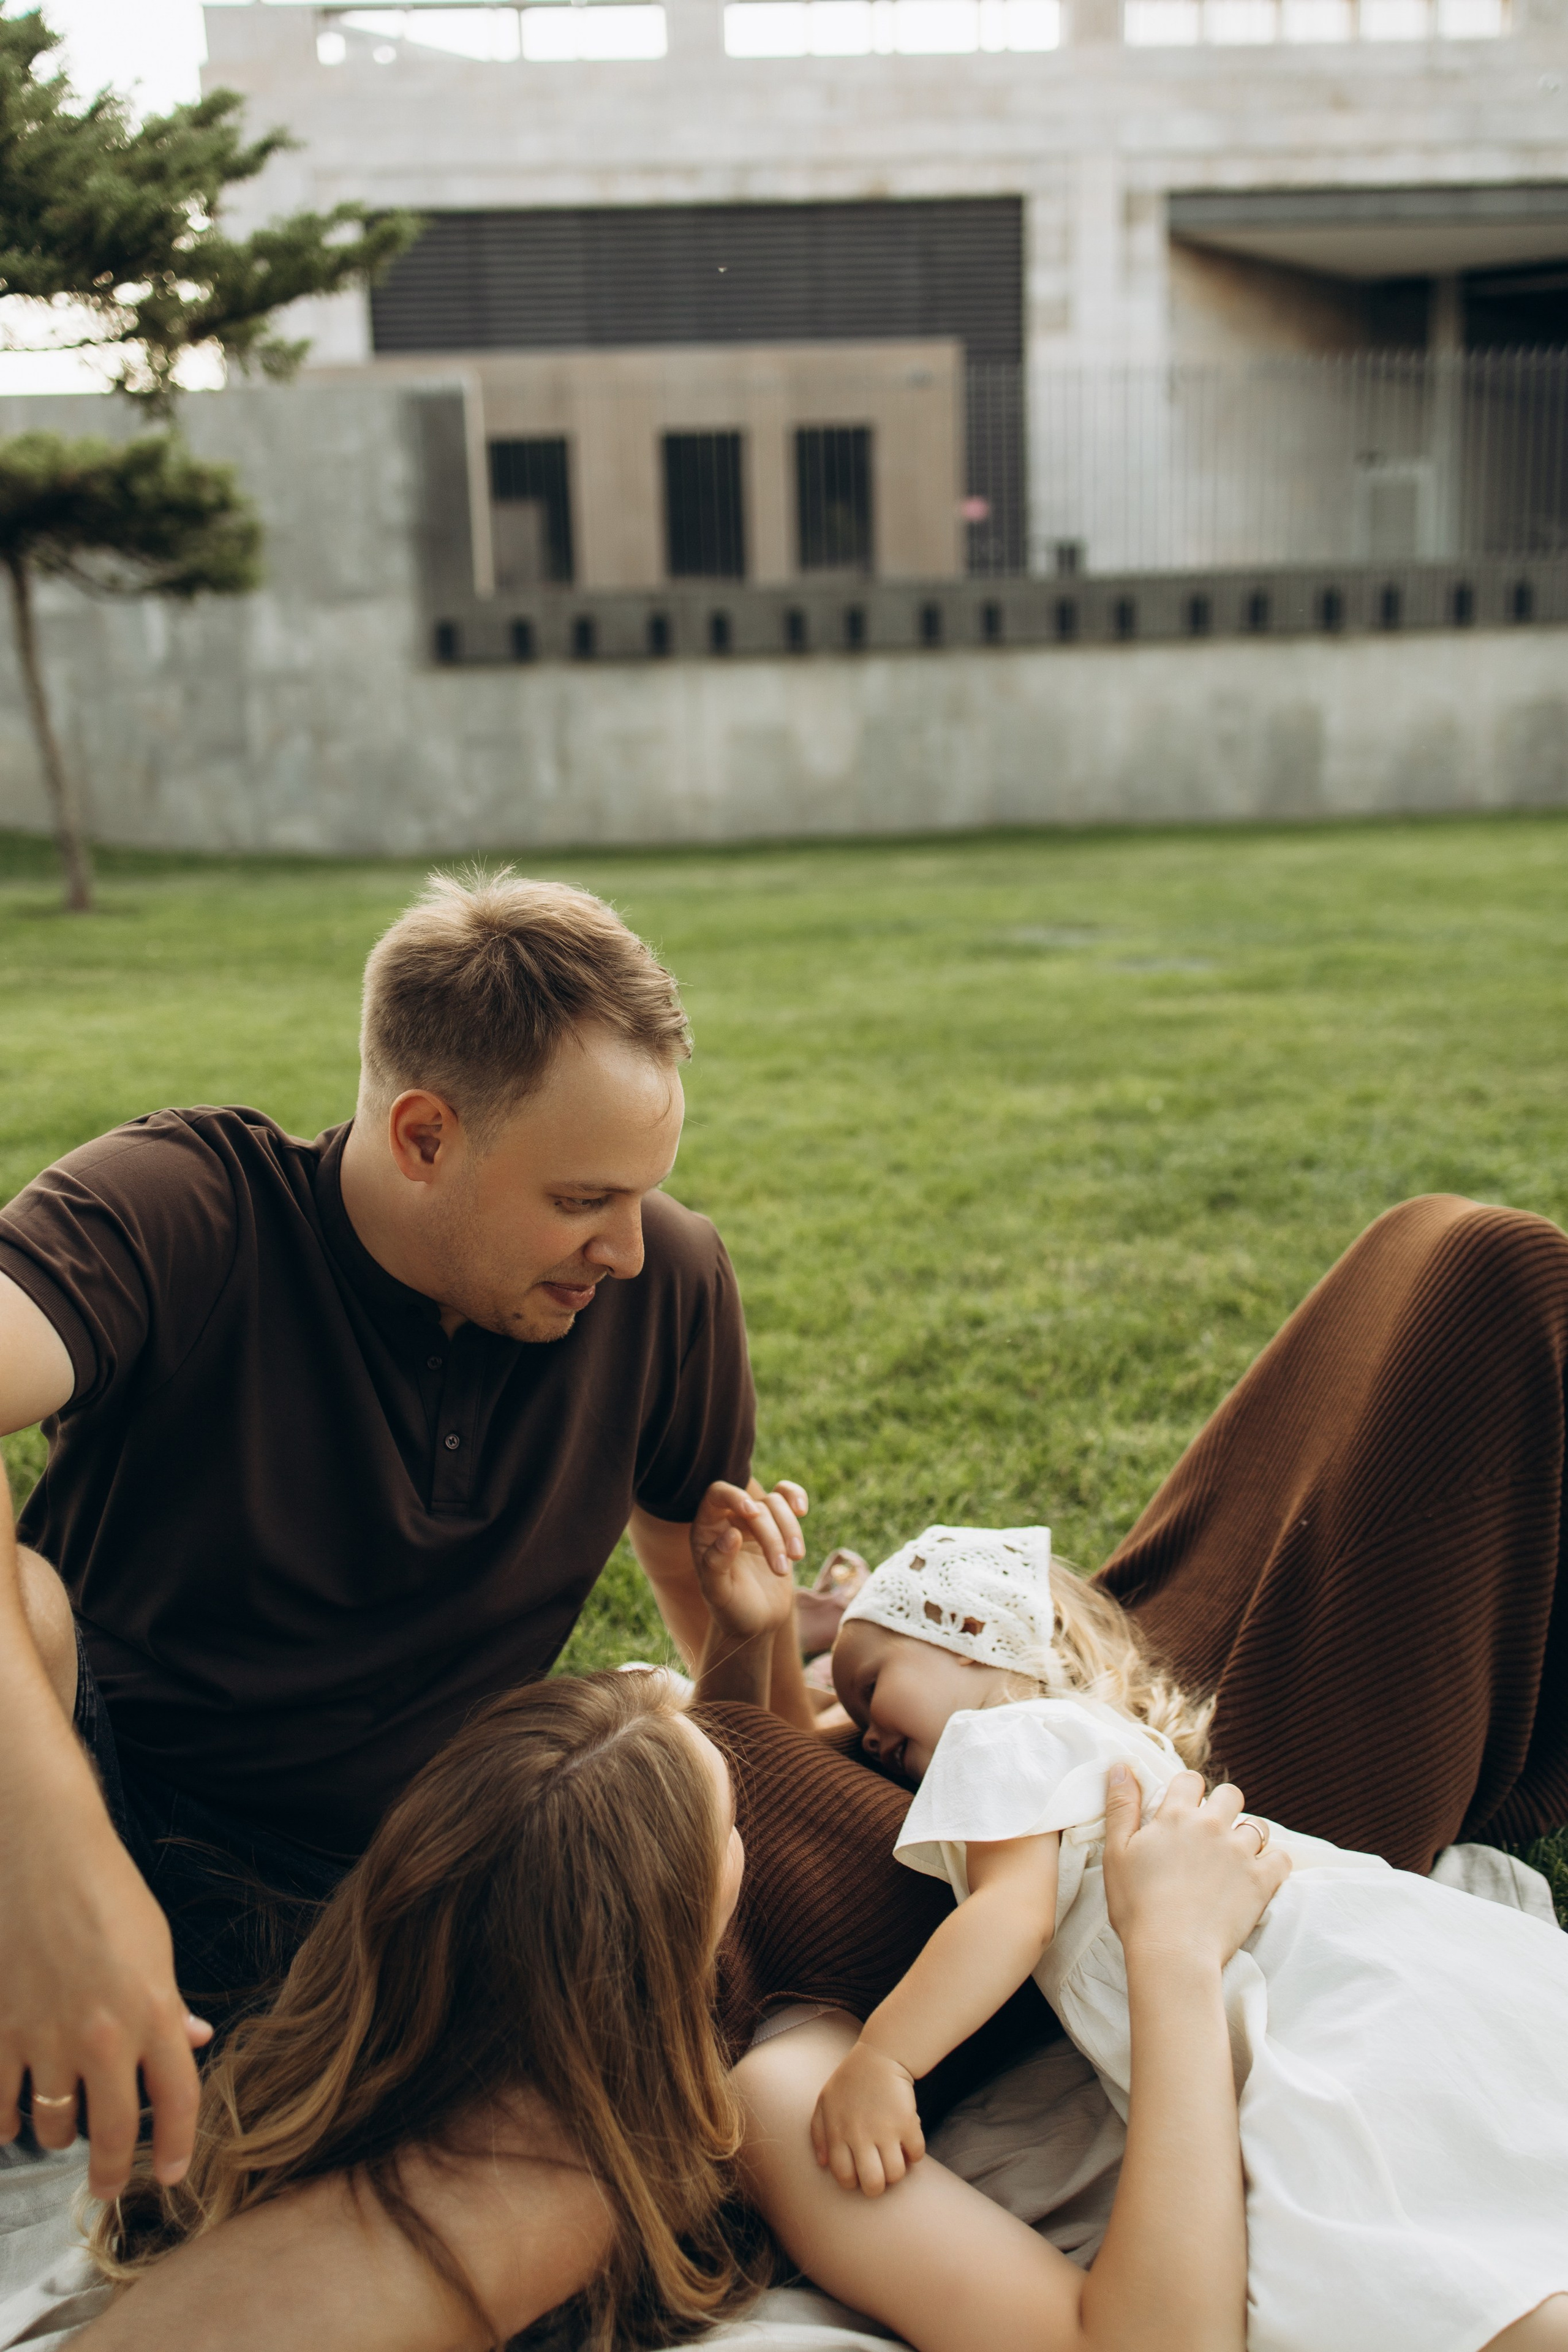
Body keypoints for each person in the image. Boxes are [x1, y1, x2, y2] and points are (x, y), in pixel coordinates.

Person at [0, 869, 815, 2204]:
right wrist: (54, 1859)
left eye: (641, 1196)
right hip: (114, 1818)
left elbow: (722, 1663)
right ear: (425, 1136)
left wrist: (762, 1657)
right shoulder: (186, 1208)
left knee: (645, 1750)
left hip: (408, 1894)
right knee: (22, 1606)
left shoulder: (664, 1282)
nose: (623, 1249)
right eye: (581, 1200)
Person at [76, 1654, 1291, 2352]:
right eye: (728, 1820)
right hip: (1123, 1831)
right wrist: (1173, 1957)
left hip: (992, 1743)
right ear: (673, 1934)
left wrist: (745, 1656)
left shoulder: (448, 1954)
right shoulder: (777, 2088)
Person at [804, 1525, 1568, 2352]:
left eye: (870, 1687)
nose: (867, 1738)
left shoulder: (993, 1739)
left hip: (1252, 1976)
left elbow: (1010, 1916)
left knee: (1347, 2191)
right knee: (1433, 2144)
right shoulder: (1078, 1731)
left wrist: (885, 2058)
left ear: (972, 1634)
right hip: (1287, 1941)